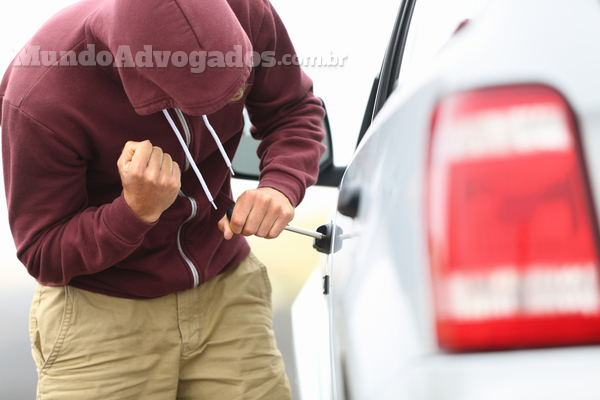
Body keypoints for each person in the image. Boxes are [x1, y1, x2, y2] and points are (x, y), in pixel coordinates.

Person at [0, 0, 326, 398]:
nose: (233, 98)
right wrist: (133, 212)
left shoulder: (246, 10)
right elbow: (41, 250)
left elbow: (292, 108)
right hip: (101, 313)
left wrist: (281, 183)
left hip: (226, 289)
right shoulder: (39, 97)